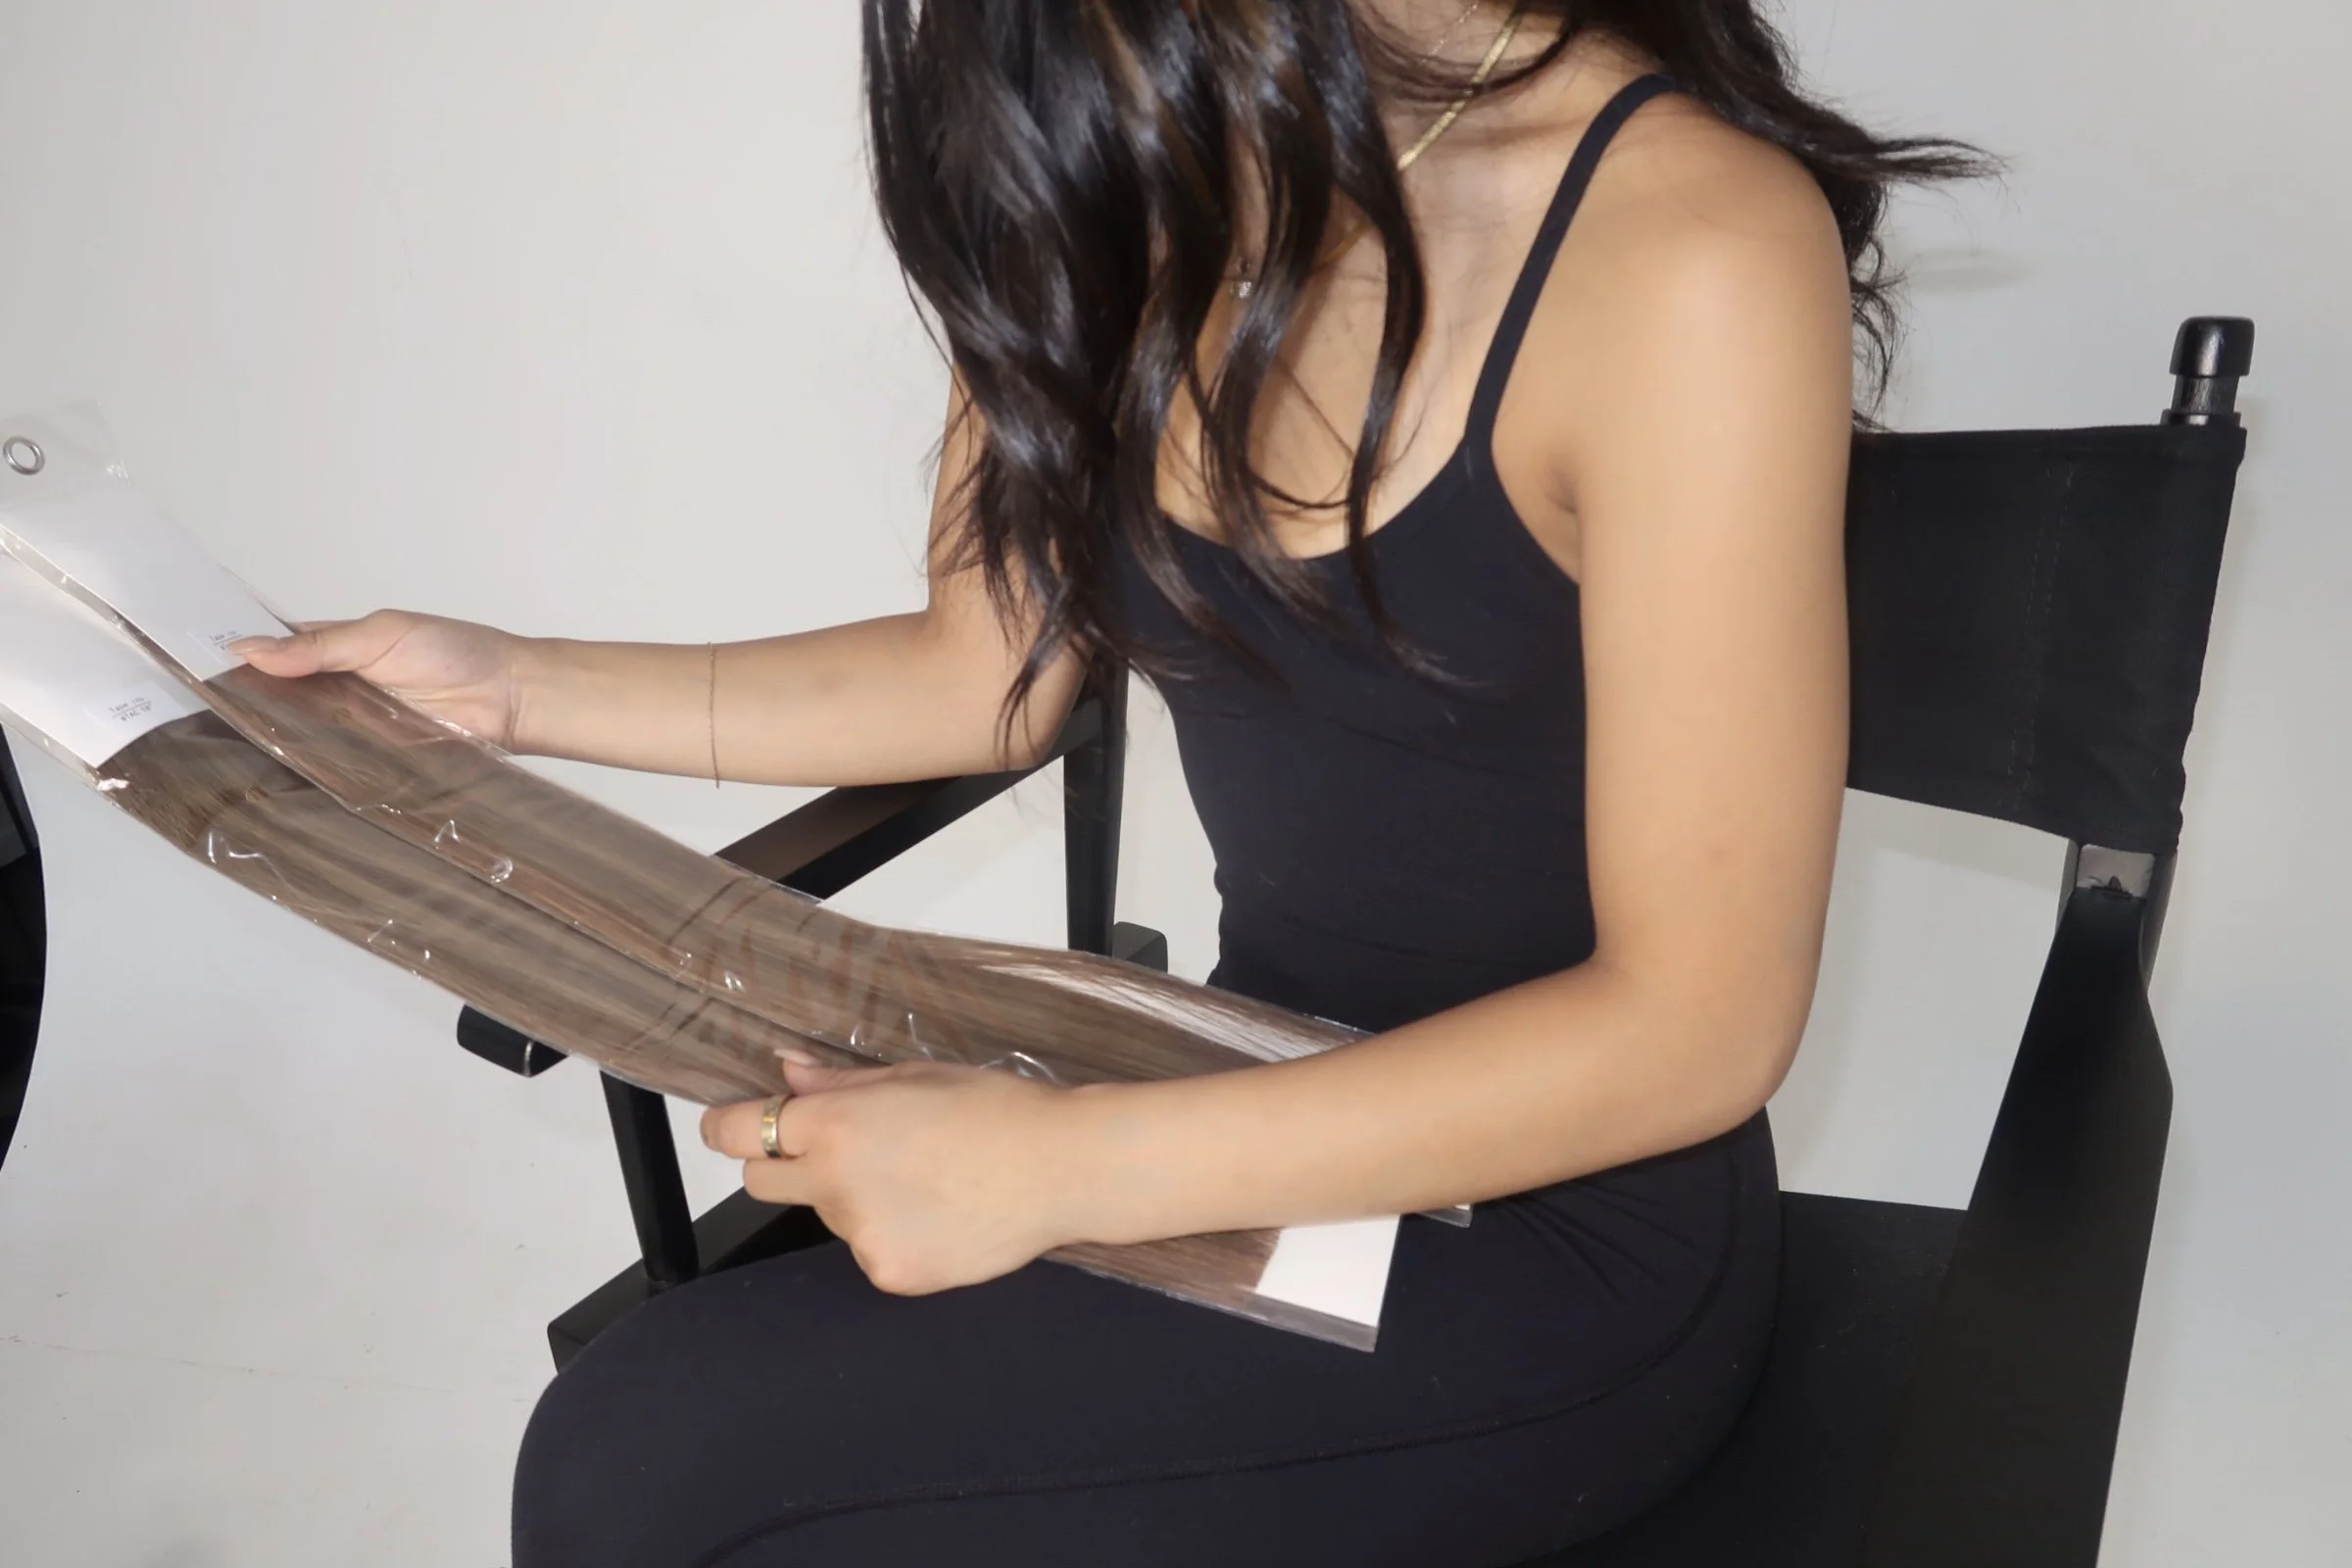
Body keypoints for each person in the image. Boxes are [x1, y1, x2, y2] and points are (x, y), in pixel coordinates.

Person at [239, 3, 1979, 1563]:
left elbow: (1699, 1028)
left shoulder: (1685, 243)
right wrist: (513, 688)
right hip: (1222, 1075)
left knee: (645, 1462)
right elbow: (979, 671)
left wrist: (1061, 1172)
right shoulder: (1141, 163)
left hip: (1557, 1231)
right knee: (656, 1446)